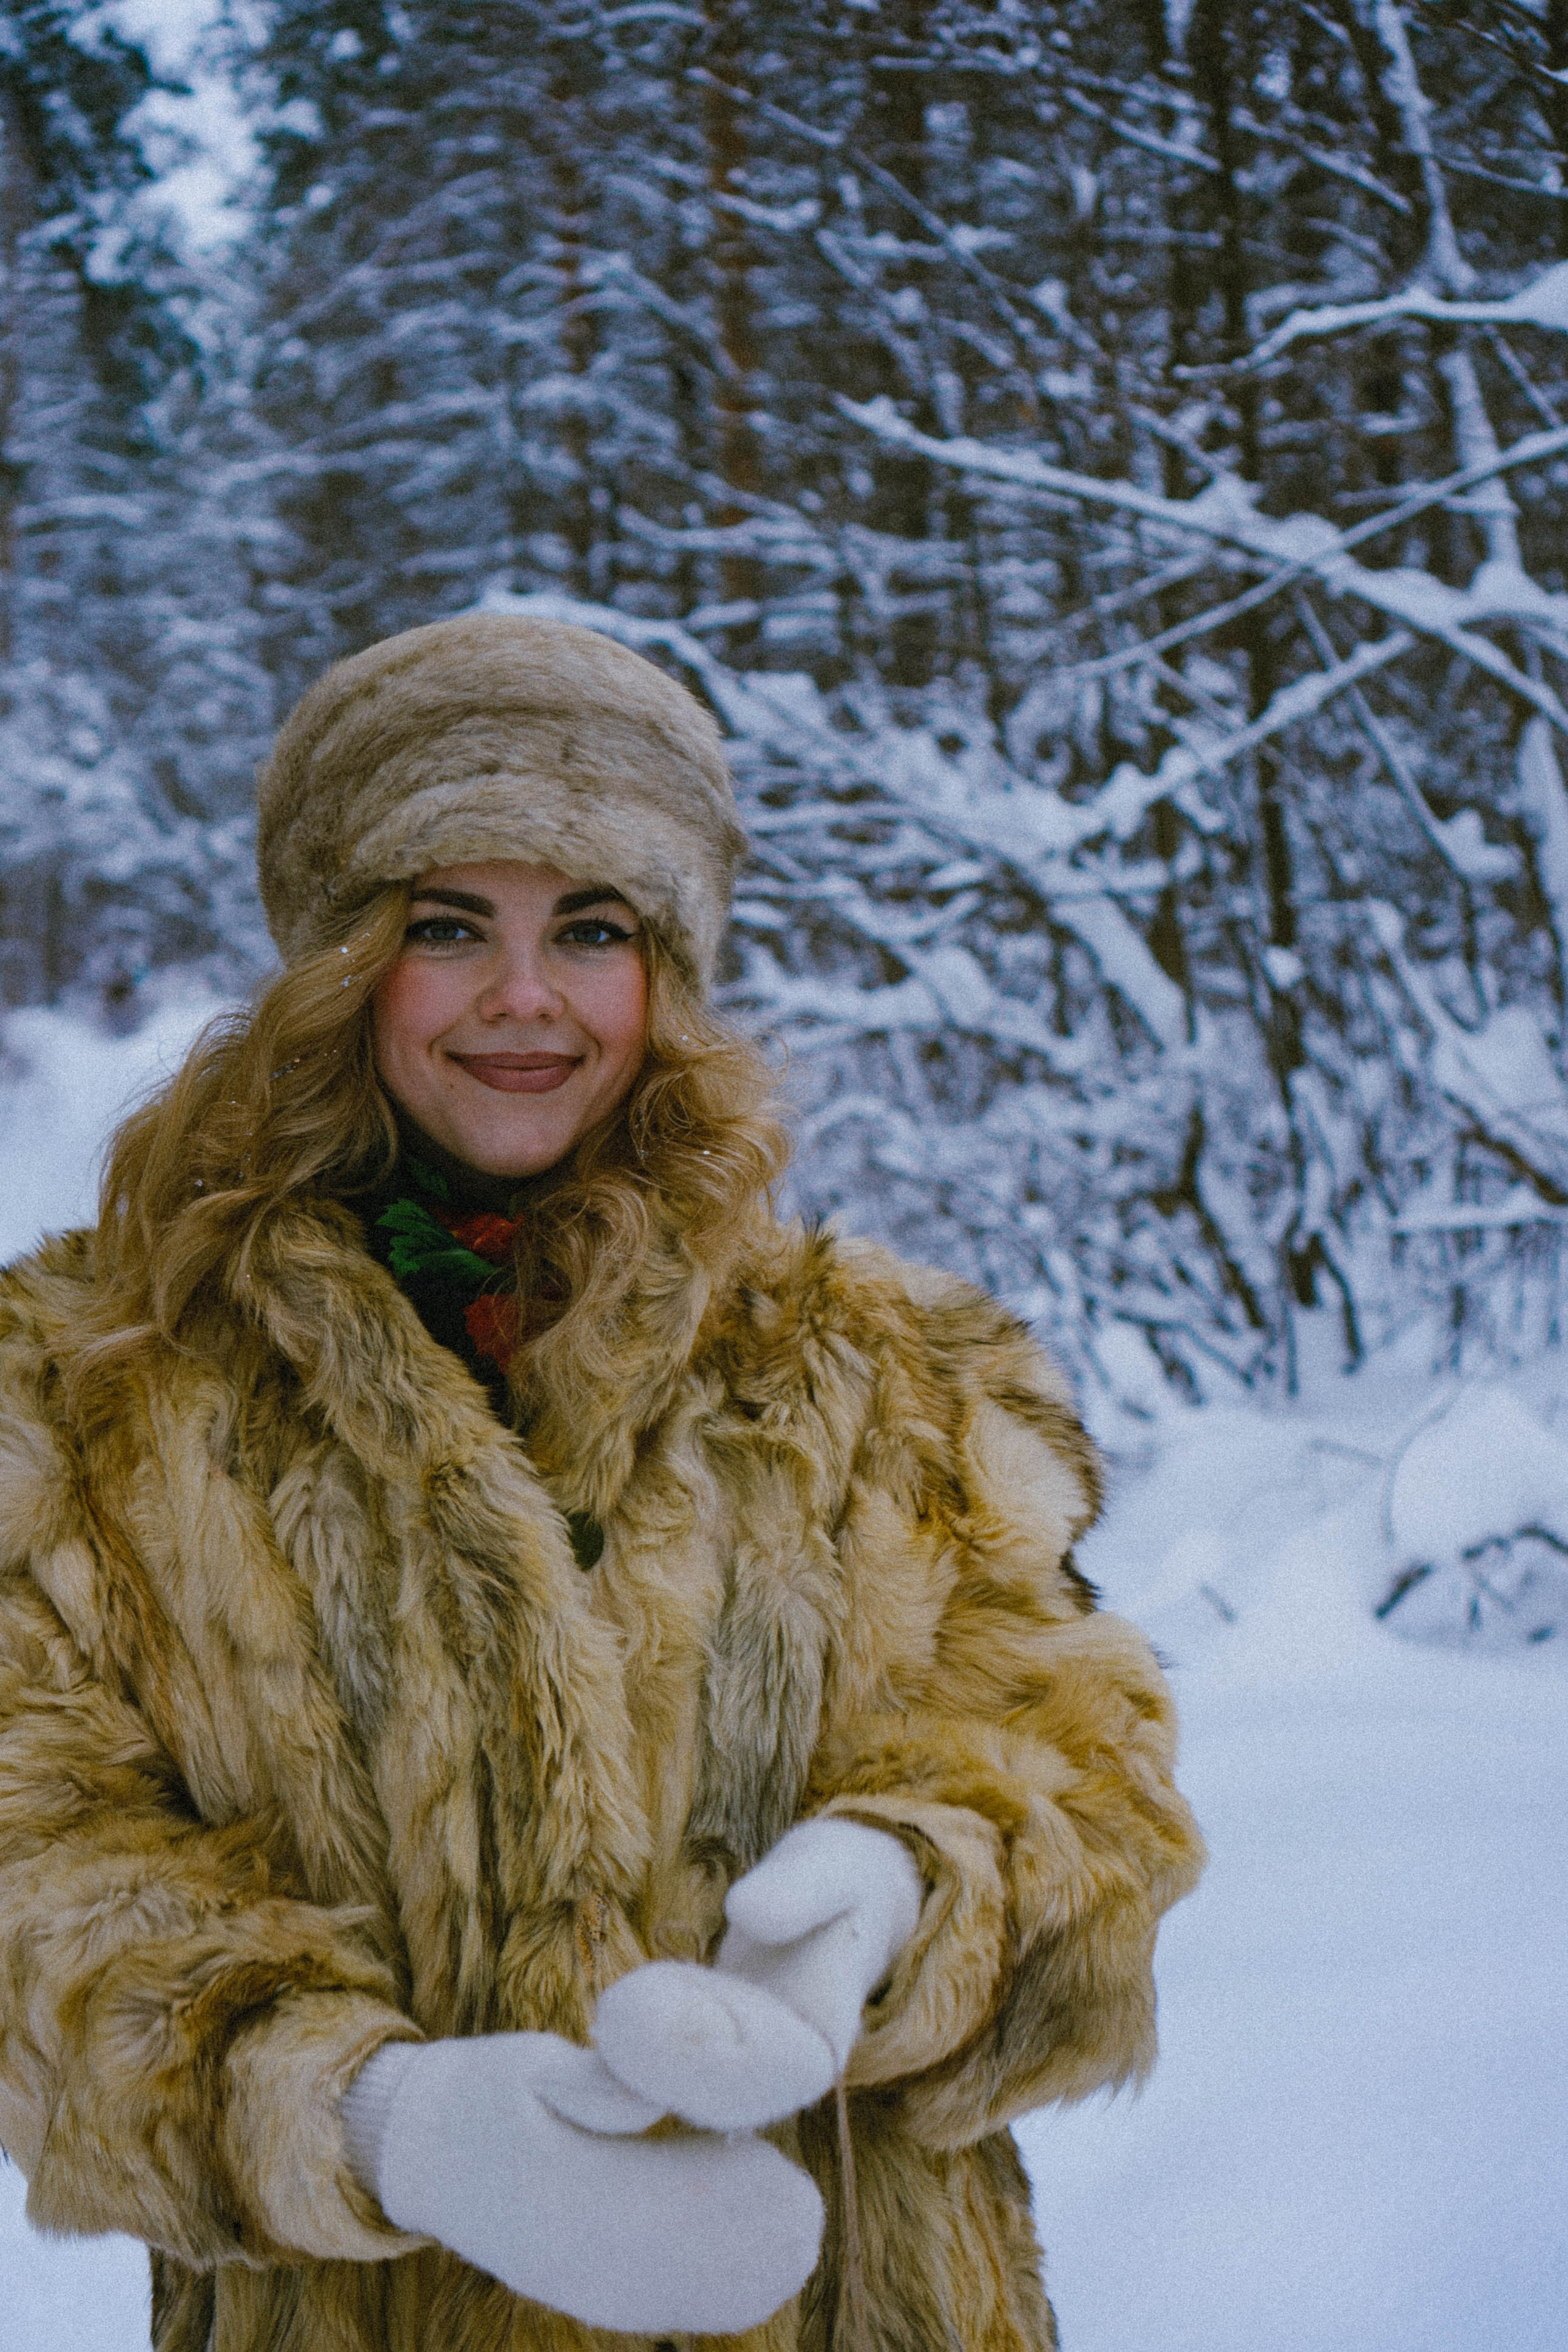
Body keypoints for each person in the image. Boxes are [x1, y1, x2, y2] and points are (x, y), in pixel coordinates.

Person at [0, 616, 1205, 2351]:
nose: (524, 999)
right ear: (345, 959)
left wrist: (888, 1897)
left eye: (591, 928)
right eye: (447, 928)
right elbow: (37, 1871)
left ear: (671, 969)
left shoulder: (876, 1373)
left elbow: (1084, 1771)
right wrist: (373, 2122)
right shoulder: (94, 1396)